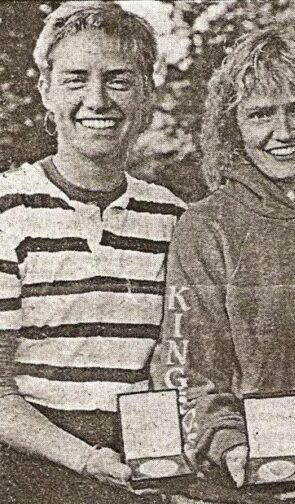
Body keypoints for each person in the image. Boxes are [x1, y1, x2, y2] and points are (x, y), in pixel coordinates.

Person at [150, 30, 295, 503]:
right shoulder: (207, 227)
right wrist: (231, 448)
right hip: (249, 486)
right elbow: (187, 373)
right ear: (234, 128)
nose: (284, 132)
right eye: (261, 114)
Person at [0, 2, 186, 503]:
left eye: (119, 80)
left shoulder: (173, 218)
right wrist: (83, 459)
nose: (97, 99)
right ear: (46, 91)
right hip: (28, 470)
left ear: (147, 93)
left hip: (143, 465)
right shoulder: (6, 211)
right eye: (76, 79)